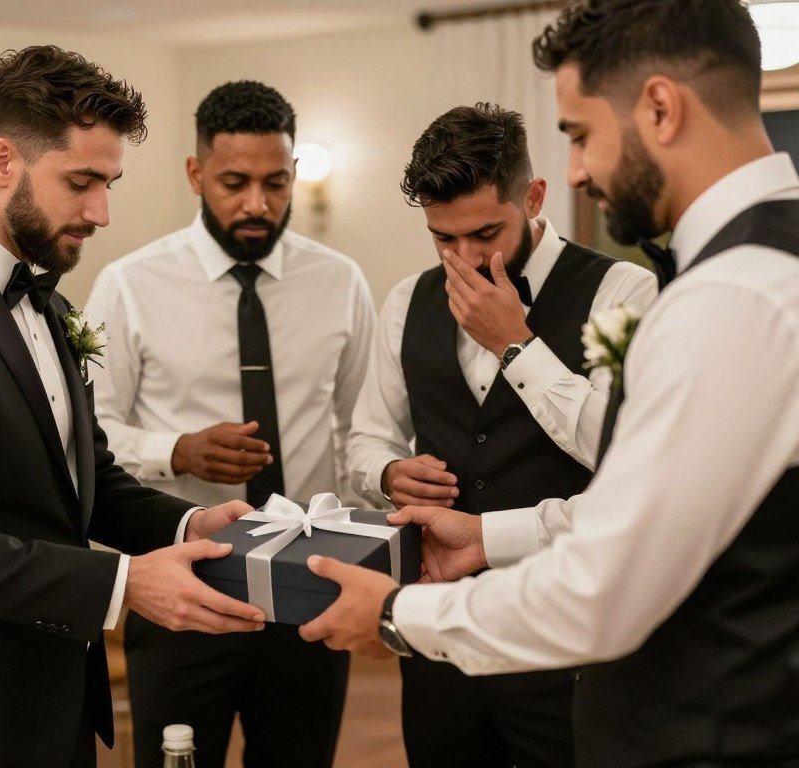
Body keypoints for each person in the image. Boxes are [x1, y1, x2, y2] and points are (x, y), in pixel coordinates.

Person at [301, 2, 799, 766]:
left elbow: (606, 580)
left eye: (579, 134)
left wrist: (400, 614)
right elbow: (654, 514)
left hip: (705, 726)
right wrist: (474, 532)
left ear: (661, 108)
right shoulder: (769, 264)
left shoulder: (732, 296)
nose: (575, 171)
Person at [0, 46, 266, 768]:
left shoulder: (49, 300)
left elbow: (78, 489)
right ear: (2, 162)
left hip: (55, 696)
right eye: (82, 182)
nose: (101, 212)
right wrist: (125, 585)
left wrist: (186, 520)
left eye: (109, 183)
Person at [345, 103, 655, 768]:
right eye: (442, 239)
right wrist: (389, 475)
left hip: (567, 629)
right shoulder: (406, 301)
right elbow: (364, 443)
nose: (463, 259)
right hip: (438, 627)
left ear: (533, 196)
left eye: (484, 233)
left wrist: (517, 345)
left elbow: (626, 450)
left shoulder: (623, 292)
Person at [84, 80, 375, 768]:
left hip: (312, 583)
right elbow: (87, 433)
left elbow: (363, 427)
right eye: (234, 182)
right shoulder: (130, 284)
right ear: (195, 174)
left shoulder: (340, 281)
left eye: (276, 183)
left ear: (295, 173)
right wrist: (174, 451)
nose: (257, 204)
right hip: (186, 585)